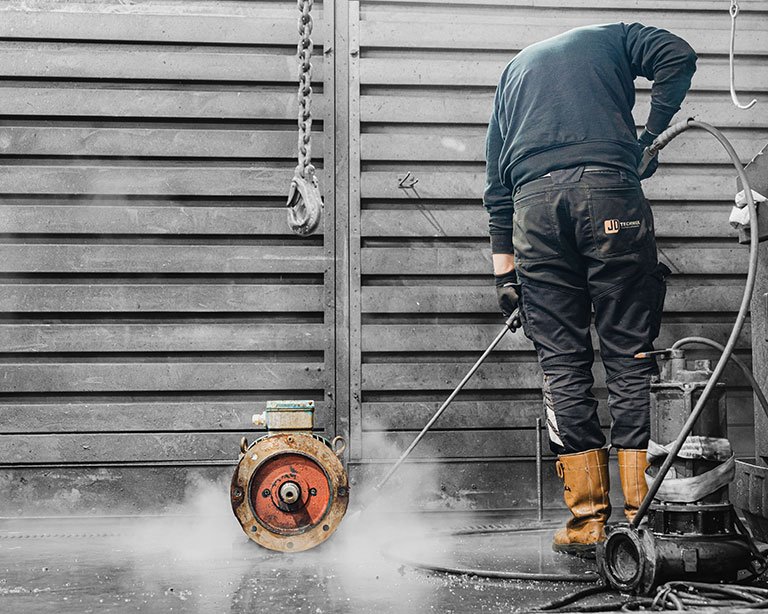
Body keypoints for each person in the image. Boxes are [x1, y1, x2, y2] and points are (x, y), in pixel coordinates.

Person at [483, 23, 697, 557]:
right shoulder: (619, 37)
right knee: (630, 353)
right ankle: (640, 518)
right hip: (609, 197)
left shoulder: (513, 71)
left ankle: (586, 523)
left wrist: (505, 276)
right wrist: (648, 136)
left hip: (534, 212)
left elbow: (495, 186)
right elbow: (678, 55)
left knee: (562, 361)